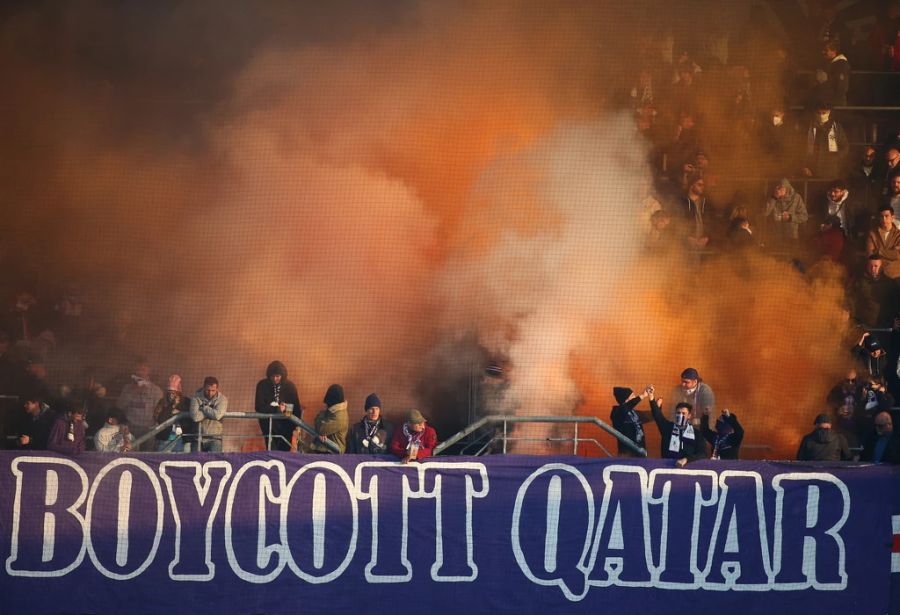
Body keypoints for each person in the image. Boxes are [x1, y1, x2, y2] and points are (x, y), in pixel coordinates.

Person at [255, 361, 302, 452]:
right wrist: (276, 409)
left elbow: (296, 408)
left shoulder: (290, 387)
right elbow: (259, 406)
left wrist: (297, 425)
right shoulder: (262, 385)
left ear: (282, 375)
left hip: (286, 427)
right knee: (271, 451)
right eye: (272, 376)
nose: (275, 378)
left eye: (277, 376)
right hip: (268, 427)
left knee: (284, 452)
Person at [116, 359, 163, 443]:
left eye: (143, 370)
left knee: (147, 455)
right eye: (138, 370)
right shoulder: (127, 389)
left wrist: (154, 427)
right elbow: (119, 407)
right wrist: (134, 391)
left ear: (148, 371)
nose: (140, 373)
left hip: (148, 431)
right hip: (129, 429)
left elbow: (160, 411)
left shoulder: (156, 390)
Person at [651, 400, 706, 467]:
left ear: (689, 416)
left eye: (683, 413)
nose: (680, 415)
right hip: (668, 467)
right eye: (678, 413)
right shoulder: (668, 428)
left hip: (689, 469)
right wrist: (652, 398)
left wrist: (686, 460)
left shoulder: (696, 434)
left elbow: (702, 454)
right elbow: (657, 416)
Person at [802, 102, 849, 181]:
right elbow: (800, 147)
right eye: (819, 113)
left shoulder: (836, 128)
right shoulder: (809, 127)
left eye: (824, 113)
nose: (821, 115)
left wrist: (835, 158)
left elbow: (845, 147)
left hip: (830, 171)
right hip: (811, 170)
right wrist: (804, 166)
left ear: (829, 112)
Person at [609, 385, 653, 456]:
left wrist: (653, 400)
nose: (635, 397)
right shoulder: (617, 412)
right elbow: (625, 407)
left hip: (640, 453)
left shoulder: (635, 413)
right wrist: (643, 395)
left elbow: (652, 415)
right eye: (632, 395)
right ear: (626, 399)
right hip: (626, 454)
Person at [189, 376, 228, 453]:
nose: (210, 393)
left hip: (215, 439)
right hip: (198, 438)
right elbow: (195, 417)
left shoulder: (223, 399)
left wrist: (203, 408)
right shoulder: (196, 398)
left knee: (214, 463)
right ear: (203, 388)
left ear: (217, 389)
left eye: (213, 390)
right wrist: (211, 412)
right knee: (195, 462)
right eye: (207, 390)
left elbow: (217, 415)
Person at [153, 374, 191, 452]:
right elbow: (160, 419)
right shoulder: (162, 402)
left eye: (174, 393)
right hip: (164, 440)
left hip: (181, 440)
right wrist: (172, 406)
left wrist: (179, 410)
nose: (171, 395)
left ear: (179, 392)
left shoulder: (186, 402)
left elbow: (190, 418)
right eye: (169, 392)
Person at [765, 178, 809, 245]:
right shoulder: (773, 197)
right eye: (776, 187)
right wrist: (774, 198)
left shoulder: (796, 198)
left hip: (791, 236)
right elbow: (765, 213)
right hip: (775, 236)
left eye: (780, 187)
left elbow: (804, 216)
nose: (778, 190)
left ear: (786, 188)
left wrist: (791, 217)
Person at [307, 384, 348, 454]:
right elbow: (318, 423)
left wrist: (321, 417)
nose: (326, 405)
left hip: (333, 451)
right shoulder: (333, 411)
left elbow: (321, 429)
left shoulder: (339, 416)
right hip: (325, 448)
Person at [865, 205, 900, 279]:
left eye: (886, 216)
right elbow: (870, 255)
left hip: (895, 272)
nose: (884, 219)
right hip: (876, 271)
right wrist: (891, 252)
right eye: (881, 216)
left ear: (892, 218)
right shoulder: (872, 233)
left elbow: (897, 255)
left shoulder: (898, 235)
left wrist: (879, 251)